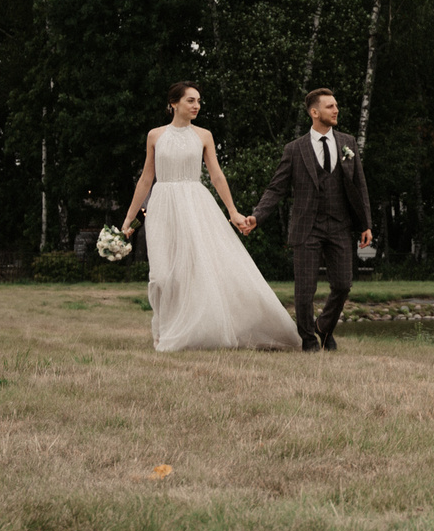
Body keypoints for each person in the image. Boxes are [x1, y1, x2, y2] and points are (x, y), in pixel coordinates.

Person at [119, 84, 299, 352]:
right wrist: (129, 219)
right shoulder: (155, 136)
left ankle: (189, 331)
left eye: (199, 101)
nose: (197, 106)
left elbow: (216, 175)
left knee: (195, 269)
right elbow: (146, 178)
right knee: (161, 275)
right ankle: (163, 328)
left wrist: (233, 211)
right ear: (174, 103)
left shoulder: (204, 135)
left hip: (195, 204)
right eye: (190, 100)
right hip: (162, 205)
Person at [244, 87, 373, 353]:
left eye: (336, 105)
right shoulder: (294, 149)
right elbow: (276, 188)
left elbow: (360, 187)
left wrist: (366, 224)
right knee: (304, 290)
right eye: (330, 106)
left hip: (340, 225)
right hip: (307, 228)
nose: (336, 110)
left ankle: (324, 327)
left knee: (343, 284)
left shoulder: (348, 143)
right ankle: (308, 340)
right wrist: (258, 215)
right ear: (314, 113)